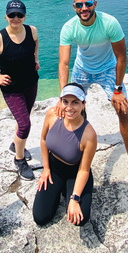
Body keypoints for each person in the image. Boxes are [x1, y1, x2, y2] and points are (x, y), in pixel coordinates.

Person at [58, 0, 128, 192]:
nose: (84, 8)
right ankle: (78, 153)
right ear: (74, 7)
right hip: (82, 69)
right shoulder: (69, 28)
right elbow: (63, 63)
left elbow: (121, 57)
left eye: (88, 4)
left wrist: (117, 89)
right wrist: (63, 94)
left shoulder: (109, 23)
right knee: (72, 111)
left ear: (94, 4)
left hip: (107, 69)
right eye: (79, 5)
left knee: (123, 109)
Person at [0, 0, 39, 181]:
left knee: (23, 118)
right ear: (6, 16)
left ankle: (15, 144)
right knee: (25, 125)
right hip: (12, 89)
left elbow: (35, 42)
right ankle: (19, 160)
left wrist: (35, 59)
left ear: (25, 16)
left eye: (19, 15)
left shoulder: (31, 30)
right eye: (12, 15)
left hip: (31, 83)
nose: (16, 18)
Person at [33, 84, 97, 226]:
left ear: (83, 104)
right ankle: (59, 191)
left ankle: (68, 193)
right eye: (65, 101)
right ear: (60, 101)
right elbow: (43, 140)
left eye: (75, 102)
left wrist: (75, 198)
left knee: (80, 219)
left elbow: (84, 169)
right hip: (54, 168)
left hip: (76, 172)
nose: (69, 107)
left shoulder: (89, 134)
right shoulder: (52, 115)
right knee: (40, 217)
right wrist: (46, 168)